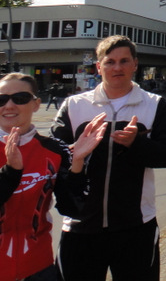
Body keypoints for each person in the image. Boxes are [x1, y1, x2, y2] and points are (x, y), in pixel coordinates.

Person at [51, 35, 166, 281]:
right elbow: (54, 160)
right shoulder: (74, 105)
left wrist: (137, 143)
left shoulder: (154, 105)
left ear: (135, 64)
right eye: (110, 62)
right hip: (80, 226)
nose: (117, 67)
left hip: (135, 226)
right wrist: (75, 151)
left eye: (124, 61)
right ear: (98, 66)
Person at [1, 73, 107, 281]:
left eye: (20, 98)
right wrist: (12, 172)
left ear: (36, 104)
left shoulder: (54, 149)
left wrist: (77, 164)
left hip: (39, 267)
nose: (9, 105)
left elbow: (73, 209)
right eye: (1, 99)